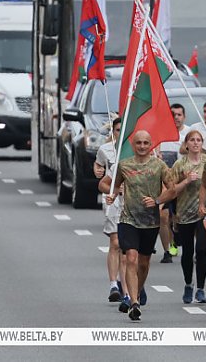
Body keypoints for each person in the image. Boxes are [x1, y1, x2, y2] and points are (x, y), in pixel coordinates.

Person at [103, 130, 175, 321]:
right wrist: (111, 194)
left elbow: (173, 189)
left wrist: (157, 200)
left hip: (150, 222)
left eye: (146, 143)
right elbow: (109, 185)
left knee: (143, 263)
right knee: (131, 258)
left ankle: (138, 289)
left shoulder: (159, 165)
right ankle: (133, 302)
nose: (142, 146)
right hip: (128, 220)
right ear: (133, 145)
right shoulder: (124, 165)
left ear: (151, 145)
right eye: (139, 143)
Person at [170, 130, 206, 304]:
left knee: (201, 250)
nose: (195, 143)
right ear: (186, 144)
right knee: (187, 251)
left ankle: (201, 289)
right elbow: (171, 190)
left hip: (204, 213)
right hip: (185, 212)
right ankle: (188, 284)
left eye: (199, 140)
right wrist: (185, 181)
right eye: (192, 140)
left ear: (203, 144)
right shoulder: (180, 165)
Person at [93, 116, 125, 303]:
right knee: (115, 242)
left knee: (126, 247)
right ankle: (113, 284)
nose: (120, 133)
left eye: (123, 130)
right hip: (112, 201)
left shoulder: (134, 151)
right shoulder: (105, 149)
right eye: (117, 130)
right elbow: (98, 166)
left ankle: (124, 283)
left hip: (131, 203)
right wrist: (97, 169)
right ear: (113, 132)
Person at [157, 104, 190, 263]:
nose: (176, 117)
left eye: (179, 114)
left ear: (184, 116)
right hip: (164, 183)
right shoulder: (160, 133)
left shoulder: (189, 134)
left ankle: (179, 240)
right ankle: (167, 250)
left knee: (178, 218)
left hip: (184, 183)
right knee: (164, 216)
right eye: (173, 114)